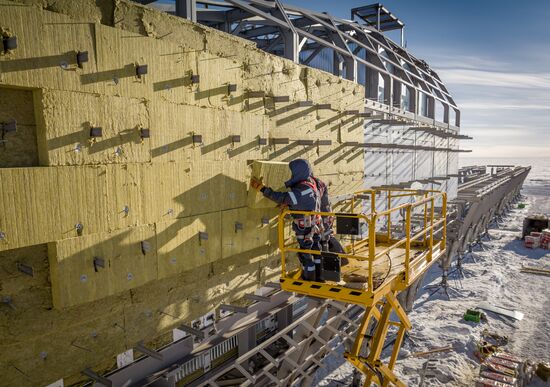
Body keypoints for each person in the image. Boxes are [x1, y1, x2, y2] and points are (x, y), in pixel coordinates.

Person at [250, 159, 322, 281]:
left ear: (298, 173)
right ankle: (319, 278)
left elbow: (283, 197)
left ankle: (308, 280)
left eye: (292, 173)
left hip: (305, 228)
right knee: (316, 251)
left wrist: (262, 188)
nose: (291, 175)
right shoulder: (311, 184)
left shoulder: (302, 190)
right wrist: (290, 205)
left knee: (306, 255)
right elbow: (305, 202)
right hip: (315, 225)